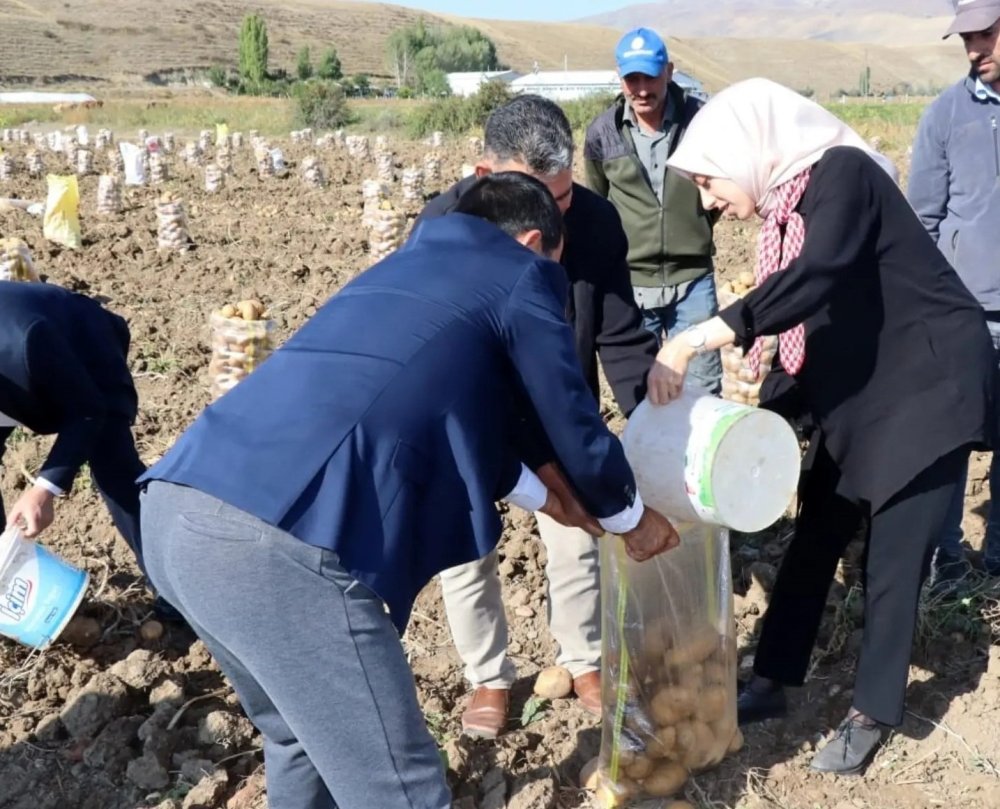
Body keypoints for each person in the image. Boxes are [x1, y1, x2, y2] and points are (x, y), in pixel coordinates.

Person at [139, 173, 679, 809]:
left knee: (297, 740)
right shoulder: (521, 273)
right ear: (535, 241)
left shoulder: (405, 271)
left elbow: (456, 420)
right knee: (403, 790)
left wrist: (551, 499)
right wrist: (629, 516)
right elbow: (569, 415)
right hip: (278, 551)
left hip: (177, 512)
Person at [652, 78, 996, 775]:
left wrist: (695, 339)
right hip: (866, 384)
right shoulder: (790, 206)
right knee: (816, 528)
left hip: (929, 381)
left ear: (748, 148)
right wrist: (756, 422)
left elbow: (817, 278)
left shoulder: (845, 175)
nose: (712, 203)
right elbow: (809, 321)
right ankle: (773, 681)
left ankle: (872, 710)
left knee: (892, 556)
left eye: (711, 183)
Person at [415, 95, 661, 737]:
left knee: (579, 531)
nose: (552, 220)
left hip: (556, 409)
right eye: (537, 200)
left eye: (563, 198)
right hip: (471, 413)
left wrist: (653, 417)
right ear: (483, 175)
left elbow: (622, 333)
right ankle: (488, 676)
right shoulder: (441, 224)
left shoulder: (598, 223)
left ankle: (583, 659)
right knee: (466, 544)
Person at [909, 0, 1000, 587]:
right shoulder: (943, 115)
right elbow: (924, 221)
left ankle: (996, 563)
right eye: (965, 39)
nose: (973, 49)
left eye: (986, 34)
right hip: (966, 315)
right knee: (953, 444)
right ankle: (946, 566)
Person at [584, 26, 721, 394]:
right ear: (620, 78)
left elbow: (719, 193)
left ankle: (701, 454)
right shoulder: (602, 133)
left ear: (670, 71)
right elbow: (597, 203)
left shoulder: (700, 121)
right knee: (640, 393)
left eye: (650, 77)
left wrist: (692, 227)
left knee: (702, 388)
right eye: (633, 79)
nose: (642, 89)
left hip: (693, 282)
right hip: (630, 286)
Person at [0, 281, 145, 558]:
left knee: (114, 468)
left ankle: (169, 589)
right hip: (18, 361)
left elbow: (88, 412)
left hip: (85, 347)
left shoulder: (26, 343)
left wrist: (44, 489)